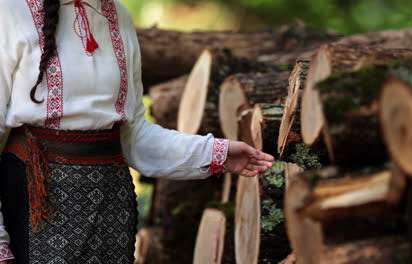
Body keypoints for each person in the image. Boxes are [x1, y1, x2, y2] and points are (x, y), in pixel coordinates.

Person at [0, 0, 274, 263]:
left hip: (111, 204)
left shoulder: (118, 15)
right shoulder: (11, 10)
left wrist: (217, 152)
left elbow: (134, 137)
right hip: (37, 200)